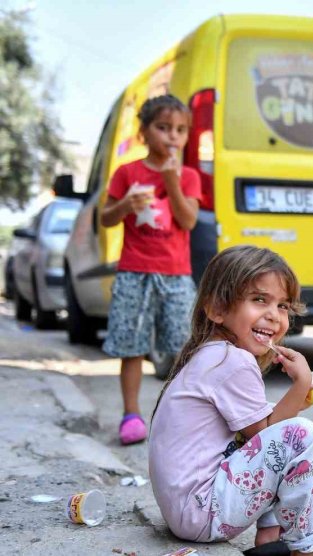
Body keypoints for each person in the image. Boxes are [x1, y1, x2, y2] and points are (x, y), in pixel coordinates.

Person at [149, 245, 313, 556]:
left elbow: (259, 435)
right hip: (201, 512)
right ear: (217, 310)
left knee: (279, 439)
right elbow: (265, 436)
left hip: (188, 510)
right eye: (259, 300)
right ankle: (307, 549)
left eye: (283, 306)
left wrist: (296, 401)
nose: (273, 316)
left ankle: (271, 537)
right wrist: (302, 382)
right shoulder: (231, 361)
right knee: (301, 435)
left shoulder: (214, 354)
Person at [100, 95, 201, 445]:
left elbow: (188, 220)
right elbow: (106, 218)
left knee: (183, 347)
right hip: (134, 271)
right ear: (144, 133)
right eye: (163, 128)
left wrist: (172, 181)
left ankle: (181, 417)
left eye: (180, 130)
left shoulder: (188, 176)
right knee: (133, 346)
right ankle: (131, 415)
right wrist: (127, 203)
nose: (172, 136)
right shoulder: (127, 173)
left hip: (175, 274)